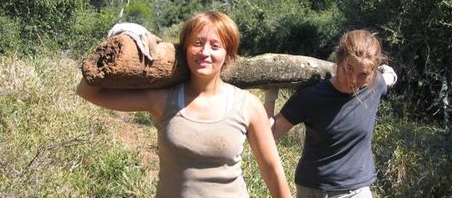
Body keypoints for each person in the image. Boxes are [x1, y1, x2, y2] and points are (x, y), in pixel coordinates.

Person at [76, 11, 291, 198]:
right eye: (197, 43)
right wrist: (122, 42)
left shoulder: (247, 105)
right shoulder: (163, 99)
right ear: (185, 48)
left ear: (227, 54)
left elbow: (272, 170)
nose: (205, 52)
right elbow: (87, 92)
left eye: (215, 46)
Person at [265, 29, 397, 198]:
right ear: (338, 60)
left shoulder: (374, 85)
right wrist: (270, 96)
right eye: (348, 69)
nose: (353, 80)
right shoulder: (311, 96)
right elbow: (270, 132)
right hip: (314, 191)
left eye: (363, 74)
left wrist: (391, 74)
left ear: (372, 72)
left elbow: (389, 78)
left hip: (356, 191)